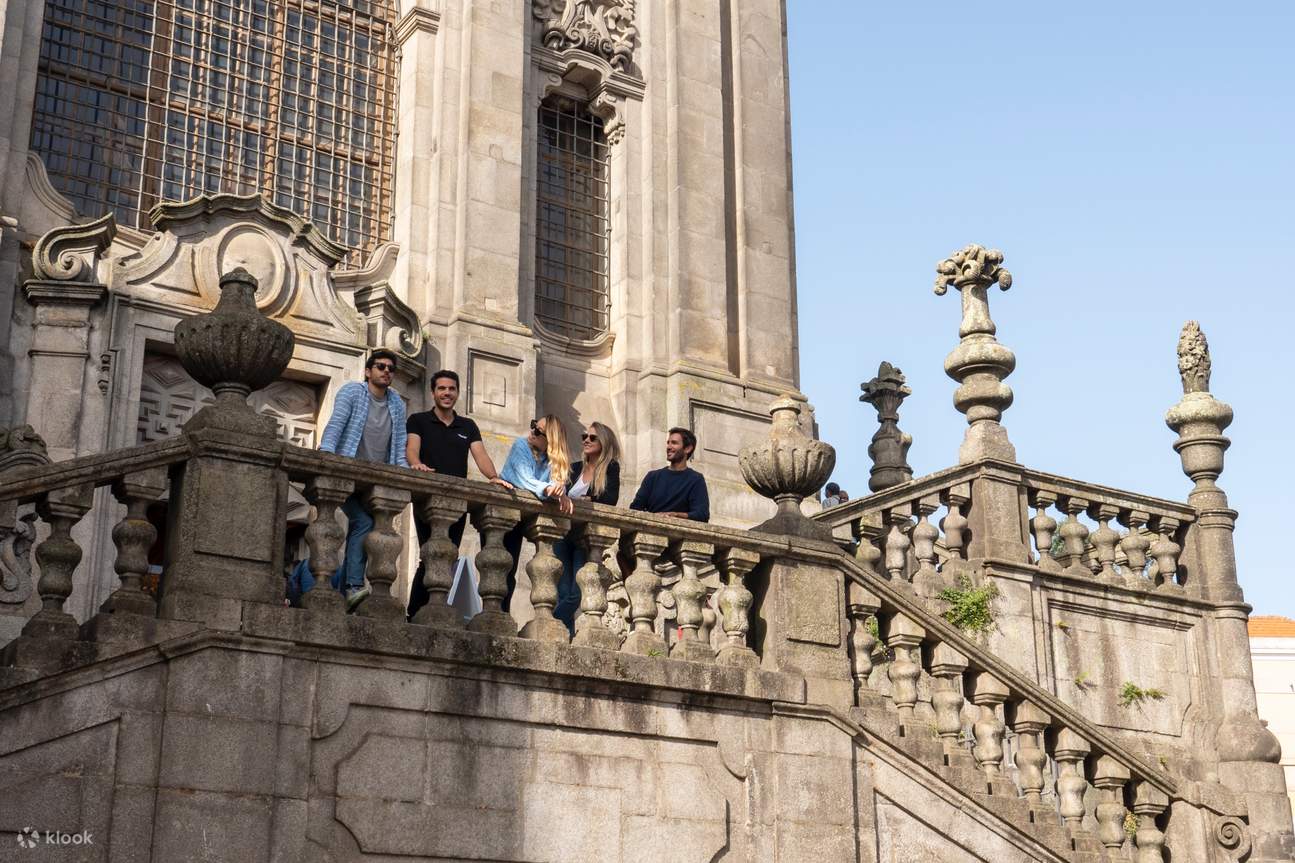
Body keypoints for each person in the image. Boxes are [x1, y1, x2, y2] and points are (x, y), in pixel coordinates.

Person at [404, 369, 512, 620]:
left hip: (457, 503)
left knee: (448, 556)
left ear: (457, 393)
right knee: (429, 554)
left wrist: (493, 476)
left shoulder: (468, 425)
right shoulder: (418, 420)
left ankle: (434, 608)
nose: (447, 393)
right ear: (433, 392)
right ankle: (414, 612)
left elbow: (480, 455)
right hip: (427, 499)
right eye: (442, 388)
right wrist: (416, 464)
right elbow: (411, 449)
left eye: (451, 389)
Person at [318, 349, 409, 610]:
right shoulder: (353, 392)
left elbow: (399, 441)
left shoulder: (396, 403)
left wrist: (403, 470)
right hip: (348, 471)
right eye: (380, 367)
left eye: (391, 368)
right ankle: (353, 586)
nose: (386, 372)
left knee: (366, 529)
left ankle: (347, 593)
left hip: (374, 479)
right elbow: (337, 422)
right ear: (368, 371)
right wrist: (327, 451)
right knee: (363, 522)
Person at [552, 421, 622, 634]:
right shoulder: (574, 468)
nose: (586, 441)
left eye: (592, 438)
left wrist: (588, 499)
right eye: (584, 437)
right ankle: (566, 636)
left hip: (586, 538)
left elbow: (610, 500)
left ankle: (552, 621)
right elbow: (559, 493)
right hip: (563, 533)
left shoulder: (610, 468)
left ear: (604, 442)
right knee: (563, 592)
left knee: (576, 592)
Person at [499, 415, 573, 612]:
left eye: (538, 431)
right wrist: (550, 490)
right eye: (533, 426)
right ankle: (498, 615)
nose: (532, 432)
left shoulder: (554, 460)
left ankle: (502, 614)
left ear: (551, 440)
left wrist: (561, 493)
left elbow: (559, 483)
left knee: (512, 572)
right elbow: (526, 480)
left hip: (527, 517)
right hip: (504, 512)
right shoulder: (520, 446)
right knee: (503, 569)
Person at [629, 427, 709, 522]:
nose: (669, 447)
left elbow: (702, 514)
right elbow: (635, 509)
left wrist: (674, 515)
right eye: (668, 442)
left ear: (687, 448)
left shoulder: (696, 479)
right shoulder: (652, 477)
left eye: (674, 443)